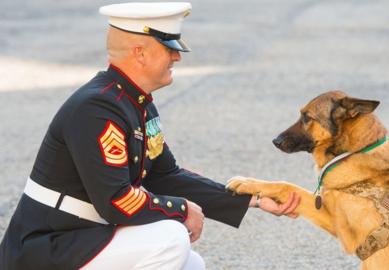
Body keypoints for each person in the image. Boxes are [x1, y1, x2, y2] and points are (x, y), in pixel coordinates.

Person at [0, 2, 300, 270]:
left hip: (80, 237)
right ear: (139, 53)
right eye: (169, 48)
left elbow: (166, 176)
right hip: (47, 248)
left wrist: (256, 199)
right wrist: (181, 210)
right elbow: (116, 200)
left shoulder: (135, 102)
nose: (176, 57)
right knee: (170, 239)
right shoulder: (97, 107)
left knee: (191, 263)